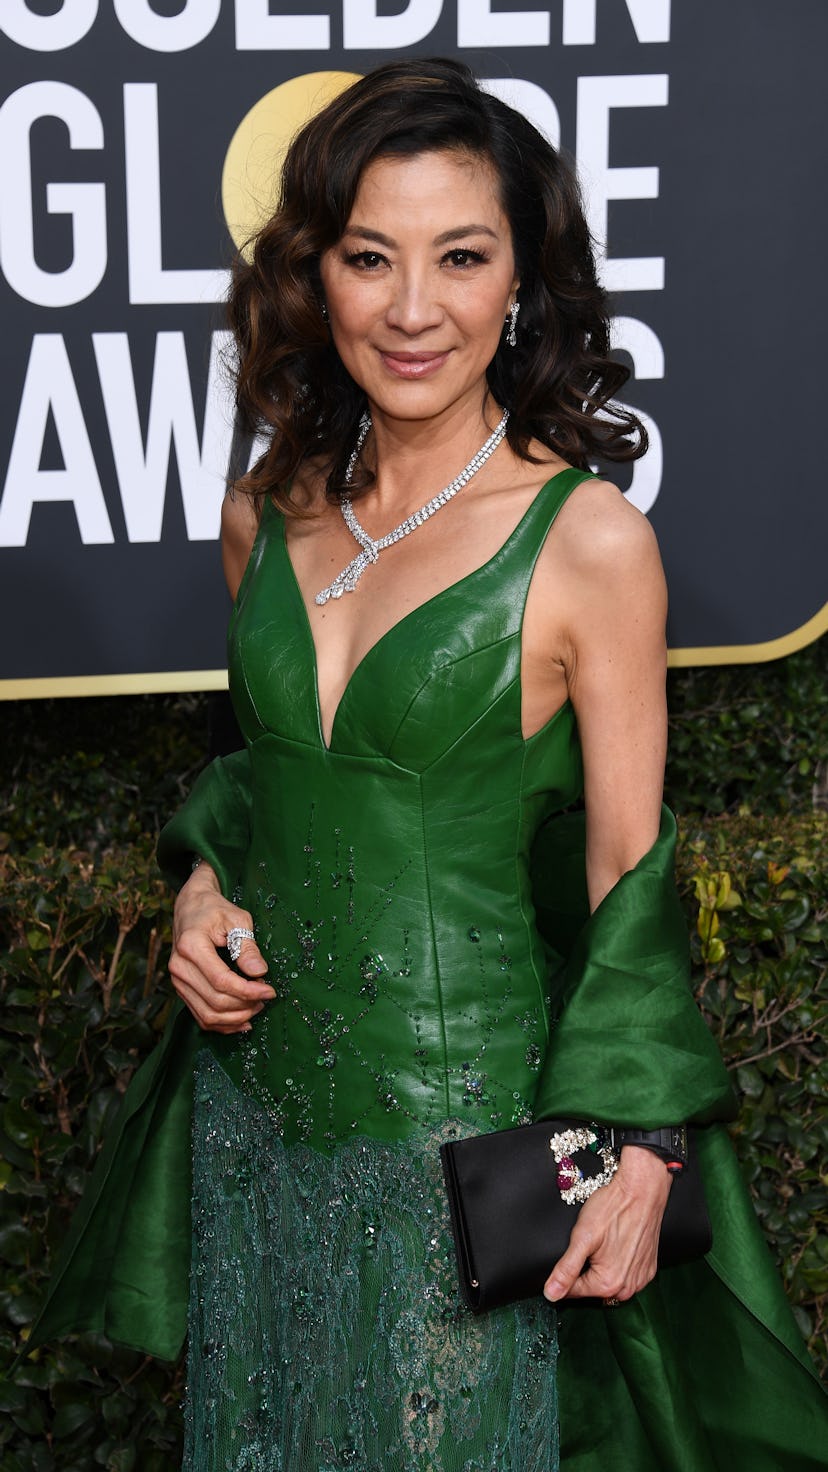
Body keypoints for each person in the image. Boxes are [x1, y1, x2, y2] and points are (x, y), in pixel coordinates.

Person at [27, 58, 826, 1472]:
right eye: (368, 258)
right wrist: (200, 893)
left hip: (467, 1150)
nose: (411, 310)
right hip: (259, 1126)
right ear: (312, 275)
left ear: (521, 279)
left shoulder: (588, 545)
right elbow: (260, 783)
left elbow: (630, 871)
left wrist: (646, 1156)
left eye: (461, 257)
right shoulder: (264, 514)